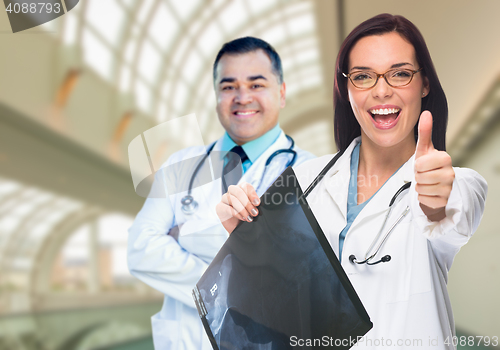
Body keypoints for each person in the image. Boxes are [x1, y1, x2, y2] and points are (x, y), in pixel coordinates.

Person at [216, 14, 487, 349]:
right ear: (346, 89)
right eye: (363, 77)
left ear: (425, 83)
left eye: (400, 73)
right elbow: (278, 300)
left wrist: (436, 204)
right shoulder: (304, 180)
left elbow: (453, 213)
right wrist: (246, 239)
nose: (382, 90)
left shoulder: (457, 184)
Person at [127, 37, 315, 350]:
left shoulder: (309, 172)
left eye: (256, 85)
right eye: (229, 87)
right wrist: (237, 278)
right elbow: (139, 249)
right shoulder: (179, 167)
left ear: (281, 94)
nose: (242, 97)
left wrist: (182, 235)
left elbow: (292, 276)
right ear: (216, 97)